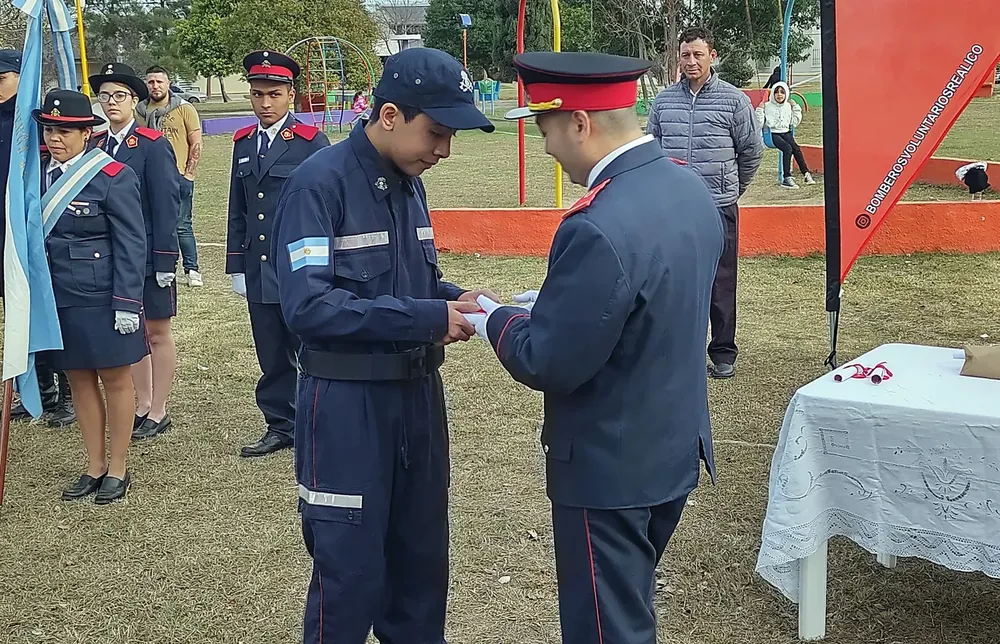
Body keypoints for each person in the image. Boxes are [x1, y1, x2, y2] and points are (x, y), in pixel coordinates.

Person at [478, 50, 723, 644]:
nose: (545, 149)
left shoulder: (595, 222)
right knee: (627, 604)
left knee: (607, 628)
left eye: (545, 129)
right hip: (671, 446)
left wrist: (494, 317)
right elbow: (652, 301)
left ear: (580, 123)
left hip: (609, 464)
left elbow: (550, 359)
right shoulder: (689, 190)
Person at [271, 47, 497, 643]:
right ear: (390, 114)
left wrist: (455, 297)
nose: (443, 151)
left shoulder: (409, 182)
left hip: (418, 403)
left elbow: (409, 280)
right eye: (437, 133)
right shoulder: (318, 186)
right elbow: (308, 306)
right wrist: (427, 315)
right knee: (349, 580)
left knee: (421, 573)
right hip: (348, 407)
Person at [34, 89, 147, 503]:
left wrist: (127, 303)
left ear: (87, 133)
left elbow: (133, 245)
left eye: (65, 131)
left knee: (115, 379)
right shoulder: (35, 176)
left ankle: (118, 468)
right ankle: (94, 465)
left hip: (102, 296)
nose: (55, 139)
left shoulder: (112, 176)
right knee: (78, 380)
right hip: (58, 296)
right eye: (49, 130)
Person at [226, 50, 330, 457]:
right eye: (256, 94)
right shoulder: (244, 143)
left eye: (273, 94)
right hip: (259, 266)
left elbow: (326, 208)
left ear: (291, 94)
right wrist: (237, 264)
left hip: (299, 266)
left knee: (310, 348)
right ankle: (281, 423)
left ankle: (318, 420)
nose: (264, 103)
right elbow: (239, 208)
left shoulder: (310, 142)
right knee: (270, 351)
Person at [646, 26, 763, 380]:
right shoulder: (664, 101)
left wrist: (731, 190)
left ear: (712, 56)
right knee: (672, 280)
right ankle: (678, 351)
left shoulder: (733, 100)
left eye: (698, 54)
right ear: (677, 58)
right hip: (674, 209)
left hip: (718, 206)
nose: (691, 61)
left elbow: (752, 152)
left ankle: (723, 351)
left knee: (720, 281)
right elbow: (650, 149)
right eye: (685, 55)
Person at [89, 62, 181, 440]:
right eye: (105, 96)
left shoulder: (150, 145)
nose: (112, 103)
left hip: (146, 254)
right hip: (111, 256)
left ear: (135, 101)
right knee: (133, 334)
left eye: (120, 96)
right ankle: (142, 403)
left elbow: (166, 204)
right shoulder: (95, 145)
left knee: (157, 332)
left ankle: (159, 409)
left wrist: (165, 258)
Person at [2, 49, 75, 425]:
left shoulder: (35, 124)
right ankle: (39, 389)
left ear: (21, 77)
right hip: (6, 236)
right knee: (21, 313)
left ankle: (67, 394)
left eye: (1, 80)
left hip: (43, 233)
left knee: (53, 312)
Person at [138, 65, 204, 287]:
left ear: (168, 83)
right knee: (154, 224)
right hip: (148, 177)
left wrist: (189, 175)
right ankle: (163, 266)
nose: (155, 86)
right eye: (151, 82)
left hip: (177, 175)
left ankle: (192, 269)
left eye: (159, 81)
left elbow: (196, 142)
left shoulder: (184, 108)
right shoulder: (139, 111)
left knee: (182, 224)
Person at [755, 81, 815, 188]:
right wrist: (760, 109)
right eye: (776, 92)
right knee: (787, 149)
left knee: (796, 148)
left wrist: (796, 108)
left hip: (785, 132)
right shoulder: (767, 106)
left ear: (786, 94)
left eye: (782, 92)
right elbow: (759, 123)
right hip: (772, 134)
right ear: (773, 94)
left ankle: (806, 173)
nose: (779, 95)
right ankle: (787, 177)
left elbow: (794, 122)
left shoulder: (788, 106)